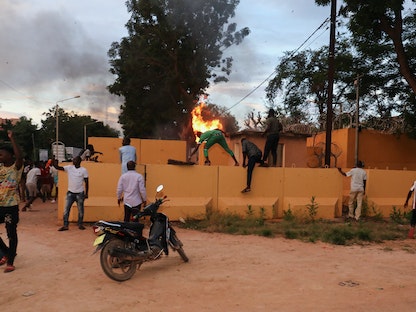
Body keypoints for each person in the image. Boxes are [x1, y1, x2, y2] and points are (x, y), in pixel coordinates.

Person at [0, 130, 23, 273]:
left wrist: (12, 138)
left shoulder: (16, 167)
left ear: (10, 155)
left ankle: (11, 261)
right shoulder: (0, 168)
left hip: (11, 206)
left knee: (11, 233)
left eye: (2, 154)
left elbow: (19, 156)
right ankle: (8, 252)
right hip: (0, 205)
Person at [53, 156, 89, 231]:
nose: (73, 160)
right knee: (66, 209)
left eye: (75, 159)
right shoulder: (69, 168)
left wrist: (86, 193)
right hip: (70, 192)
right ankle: (65, 225)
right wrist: (54, 162)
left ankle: (80, 224)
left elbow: (87, 182)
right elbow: (59, 168)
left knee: (80, 209)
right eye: (73, 159)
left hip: (80, 193)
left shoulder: (84, 170)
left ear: (79, 161)